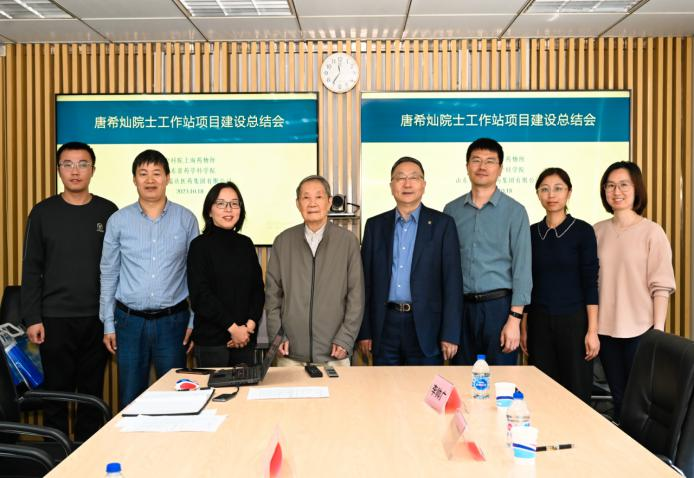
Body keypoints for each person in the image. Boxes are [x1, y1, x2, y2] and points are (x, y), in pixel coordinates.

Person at [20, 142, 117, 440]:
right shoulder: (42, 213)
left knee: (91, 393)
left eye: (82, 164)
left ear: (93, 170)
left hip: (96, 318)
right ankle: (55, 456)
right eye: (68, 164)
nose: (75, 171)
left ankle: (87, 453)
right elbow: (31, 268)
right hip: (54, 319)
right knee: (55, 395)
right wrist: (32, 318)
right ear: (59, 169)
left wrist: (112, 319)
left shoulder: (108, 211)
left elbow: (118, 268)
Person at [99, 149, 198, 408]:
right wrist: (108, 323)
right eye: (143, 174)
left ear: (168, 178)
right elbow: (109, 273)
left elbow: (197, 275)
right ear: (134, 179)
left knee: (177, 398)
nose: (150, 180)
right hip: (128, 322)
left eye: (156, 173)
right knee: (131, 399)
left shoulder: (186, 219)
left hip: (173, 323)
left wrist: (194, 320)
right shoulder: (118, 220)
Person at [357, 157, 463, 365]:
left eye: (414, 178)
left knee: (425, 386)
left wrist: (450, 333)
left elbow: (452, 282)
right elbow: (365, 283)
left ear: (423, 185)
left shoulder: (443, 225)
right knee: (384, 384)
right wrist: (364, 331)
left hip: (427, 327)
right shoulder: (375, 226)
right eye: (400, 178)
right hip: (384, 325)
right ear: (391, 186)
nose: (407, 184)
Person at [594, 161, 675, 419]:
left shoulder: (652, 232)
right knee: (618, 398)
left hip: (641, 330)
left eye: (623, 185)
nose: (616, 191)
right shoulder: (596, 231)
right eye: (610, 186)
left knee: (641, 401)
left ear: (636, 188)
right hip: (605, 330)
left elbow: (661, 286)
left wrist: (657, 331)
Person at [443, 137, 532, 366]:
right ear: (467, 166)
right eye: (476, 160)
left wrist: (514, 319)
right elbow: (445, 267)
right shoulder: (451, 211)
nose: (482, 166)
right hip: (460, 309)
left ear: (500, 169)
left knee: (501, 379)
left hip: (499, 309)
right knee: (460, 377)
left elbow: (522, 269)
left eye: (490, 161)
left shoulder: (515, 211)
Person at [265, 175, 364, 366]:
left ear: (329, 202)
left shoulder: (347, 242)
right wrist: (277, 337)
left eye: (318, 197)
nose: (312, 203)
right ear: (298, 203)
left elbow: (356, 296)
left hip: (335, 352)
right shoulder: (283, 241)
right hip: (290, 353)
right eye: (306, 197)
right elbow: (272, 297)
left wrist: (346, 338)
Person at [520, 168, 599, 404]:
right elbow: (526, 282)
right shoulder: (531, 233)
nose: (551, 195)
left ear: (569, 192)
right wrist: (524, 327)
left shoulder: (583, 231)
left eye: (558, 188)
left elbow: (590, 282)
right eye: (544, 189)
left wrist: (592, 330)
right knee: (541, 392)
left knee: (576, 391)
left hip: (574, 322)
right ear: (537, 194)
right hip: (539, 322)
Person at [186, 182, 264, 367]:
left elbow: (258, 290)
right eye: (221, 204)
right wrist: (233, 329)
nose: (228, 209)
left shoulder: (246, 244)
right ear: (209, 210)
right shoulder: (199, 246)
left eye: (234, 203)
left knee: (247, 386)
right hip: (212, 343)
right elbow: (200, 296)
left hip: (245, 340)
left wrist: (249, 327)